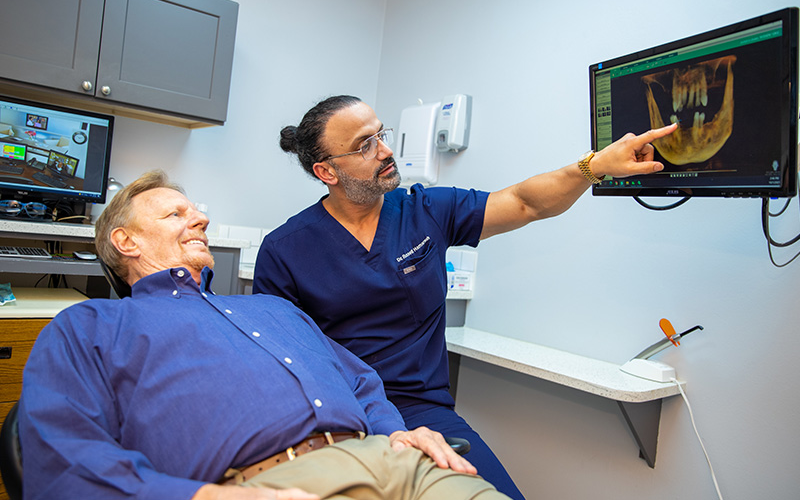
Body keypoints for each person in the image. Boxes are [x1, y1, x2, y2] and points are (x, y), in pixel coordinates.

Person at [252, 95, 679, 499]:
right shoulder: (285, 249)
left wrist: (594, 167)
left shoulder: (425, 211)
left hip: (424, 410)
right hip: (336, 414)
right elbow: (277, 363)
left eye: (382, 134)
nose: (384, 150)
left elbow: (524, 202)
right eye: (365, 145)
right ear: (327, 171)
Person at [18, 170, 511, 500]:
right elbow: (60, 450)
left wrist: (397, 431)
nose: (201, 219)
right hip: (275, 486)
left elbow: (360, 382)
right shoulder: (90, 327)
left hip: (398, 461)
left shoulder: (271, 309)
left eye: (197, 211)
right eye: (175, 215)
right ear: (125, 242)